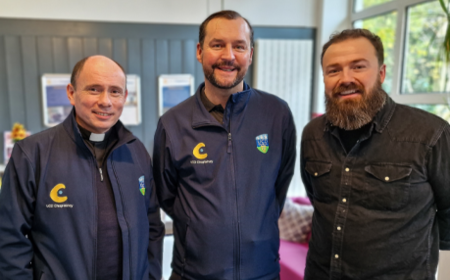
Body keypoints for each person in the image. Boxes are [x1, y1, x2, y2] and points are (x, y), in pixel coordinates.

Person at [153, 10, 296, 280]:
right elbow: (167, 196)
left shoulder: (276, 114)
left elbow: (279, 185)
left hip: (262, 272)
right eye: (217, 44)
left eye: (239, 46)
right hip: (193, 273)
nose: (228, 56)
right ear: (199, 51)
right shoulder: (173, 124)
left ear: (250, 54)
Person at [300, 28, 450, 280]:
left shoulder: (431, 134)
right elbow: (319, 200)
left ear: (381, 73)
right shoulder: (313, 134)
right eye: (333, 70)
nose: (345, 78)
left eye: (358, 67)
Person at [0, 55, 165, 280]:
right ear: (71, 93)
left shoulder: (137, 153)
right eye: (94, 89)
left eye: (115, 91)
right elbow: (9, 240)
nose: (106, 101)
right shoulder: (32, 154)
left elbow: (152, 229)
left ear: (125, 97)